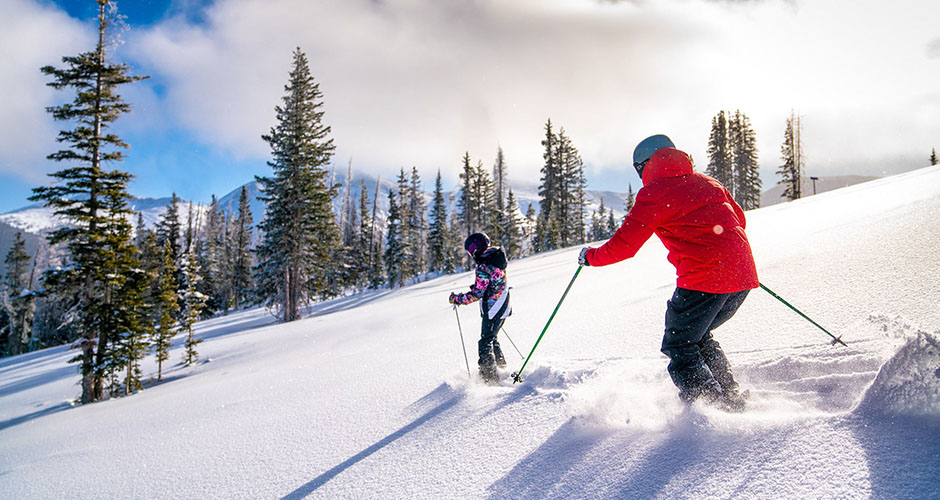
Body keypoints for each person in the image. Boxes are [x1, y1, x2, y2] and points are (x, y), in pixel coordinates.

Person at [578, 134, 758, 411]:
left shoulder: (654, 193)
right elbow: (739, 220)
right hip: (742, 276)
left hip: (704, 279)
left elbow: (624, 246)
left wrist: (591, 257)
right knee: (698, 337)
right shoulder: (708, 181)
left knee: (679, 345)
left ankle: (712, 407)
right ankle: (728, 395)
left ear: (644, 166)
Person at [449, 233, 512, 384]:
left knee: (485, 342)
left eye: (470, 252)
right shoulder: (496, 257)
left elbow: (477, 294)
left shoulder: (483, 266)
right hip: (503, 304)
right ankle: (501, 368)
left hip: (493, 307)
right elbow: (492, 282)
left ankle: (489, 378)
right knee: (491, 338)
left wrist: (457, 299)